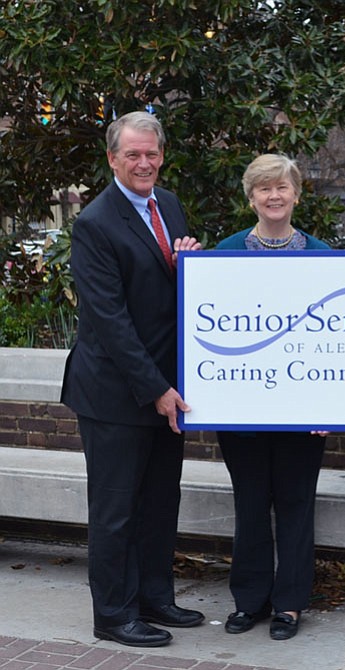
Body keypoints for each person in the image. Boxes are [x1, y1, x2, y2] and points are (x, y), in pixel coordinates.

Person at [61, 111, 203, 648]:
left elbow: (168, 296)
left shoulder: (167, 204)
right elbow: (111, 321)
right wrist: (157, 388)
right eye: (133, 155)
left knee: (160, 501)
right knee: (116, 511)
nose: (144, 163)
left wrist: (189, 264)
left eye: (152, 154)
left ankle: (154, 598)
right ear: (112, 159)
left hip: (165, 389)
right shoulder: (96, 222)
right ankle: (114, 615)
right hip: (117, 394)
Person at [215, 154, 329, 641]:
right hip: (241, 411)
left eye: (282, 187)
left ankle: (289, 604)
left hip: (304, 413)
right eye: (264, 189)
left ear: (296, 194)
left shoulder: (323, 257)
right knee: (250, 505)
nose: (274, 196)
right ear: (251, 197)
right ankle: (250, 600)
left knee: (296, 506)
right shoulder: (223, 254)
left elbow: (336, 343)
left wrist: (332, 406)